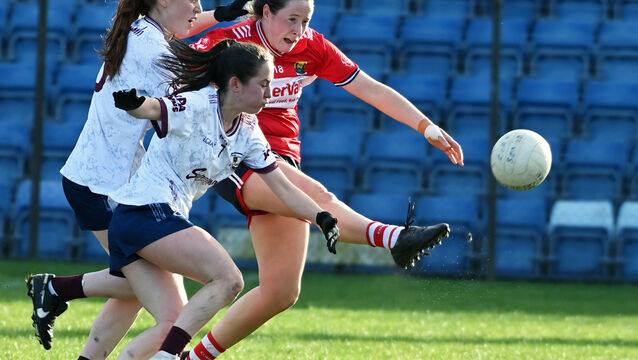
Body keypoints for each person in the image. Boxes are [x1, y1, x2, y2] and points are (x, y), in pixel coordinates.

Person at [182, 0, 463, 359]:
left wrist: (427, 126)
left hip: (282, 157)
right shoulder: (232, 43)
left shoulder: (312, 47)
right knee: (315, 196)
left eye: (305, 20)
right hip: (232, 153)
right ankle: (395, 237)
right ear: (265, 12)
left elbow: (371, 89)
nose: (298, 30)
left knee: (281, 292)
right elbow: (171, 59)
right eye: (291, 19)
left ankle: (193, 358)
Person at [25, 0, 250, 358]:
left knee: (136, 288)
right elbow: (200, 101)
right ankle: (56, 289)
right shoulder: (153, 50)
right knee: (173, 314)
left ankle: (56, 292)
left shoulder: (142, 29)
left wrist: (221, 16)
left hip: (107, 179)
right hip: (103, 185)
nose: (198, 6)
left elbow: (186, 26)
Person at [107, 38, 339, 360]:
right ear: (236, 84)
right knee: (228, 280)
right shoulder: (200, 103)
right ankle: (168, 356)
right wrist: (135, 104)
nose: (270, 94)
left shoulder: (248, 130)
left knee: (173, 315)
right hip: (146, 212)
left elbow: (282, 187)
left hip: (141, 219)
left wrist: (321, 217)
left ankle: (57, 290)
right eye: (264, 84)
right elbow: (155, 108)